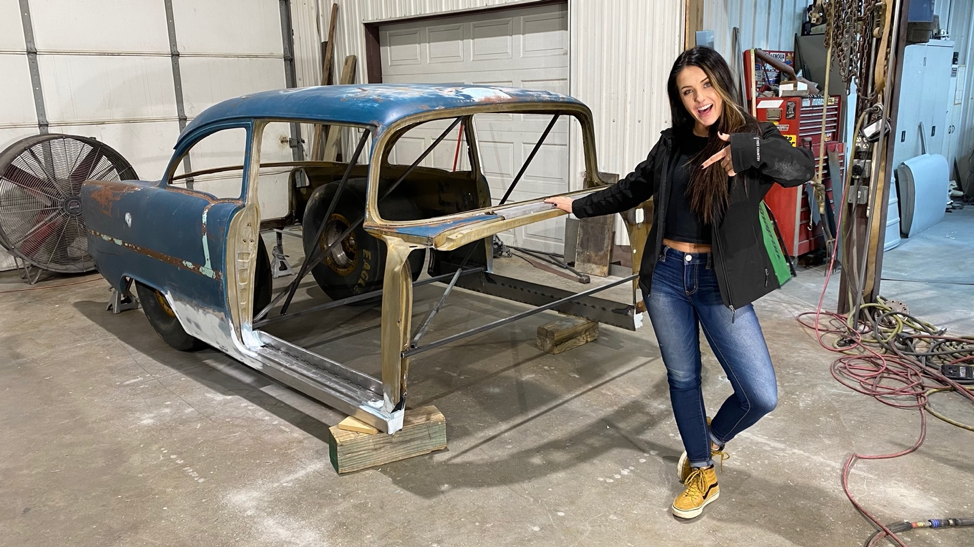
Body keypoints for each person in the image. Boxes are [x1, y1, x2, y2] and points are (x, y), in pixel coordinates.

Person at [545, 47, 814, 519]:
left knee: (761, 394)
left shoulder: (754, 137)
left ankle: (709, 438)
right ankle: (703, 470)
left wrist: (746, 151)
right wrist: (577, 205)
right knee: (683, 377)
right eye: (687, 91)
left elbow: (799, 168)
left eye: (706, 86)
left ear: (722, 84)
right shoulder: (671, 144)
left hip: (718, 281)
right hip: (667, 276)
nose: (698, 98)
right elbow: (631, 187)